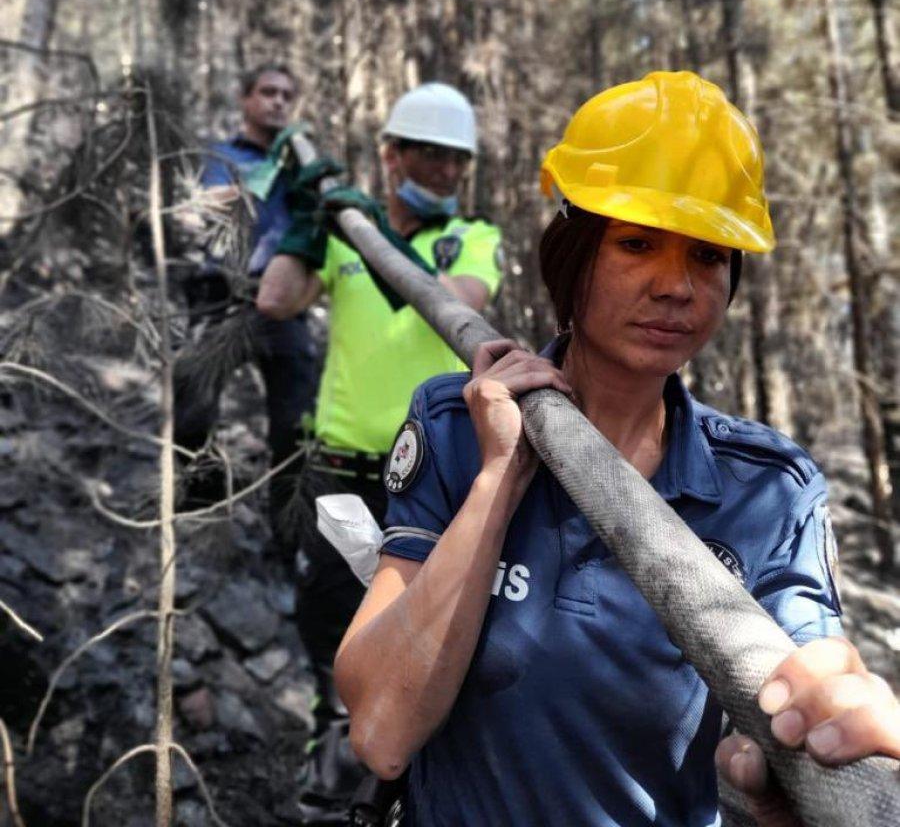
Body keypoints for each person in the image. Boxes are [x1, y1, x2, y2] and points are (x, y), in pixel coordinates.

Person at [332, 70, 900, 826]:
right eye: (637, 244)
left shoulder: (767, 487)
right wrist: (501, 477)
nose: (676, 286)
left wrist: (843, 714)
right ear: (571, 256)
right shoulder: (455, 426)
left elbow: (813, 666)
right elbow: (381, 733)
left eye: (706, 256)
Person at [257, 81, 504, 818]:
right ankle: (330, 767)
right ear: (390, 152)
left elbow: (452, 301)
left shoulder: (474, 238)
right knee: (327, 618)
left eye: (455, 160)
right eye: (427, 154)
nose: (443, 172)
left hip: (430, 482)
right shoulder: (343, 232)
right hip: (337, 469)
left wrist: (369, 228)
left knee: (423, 638)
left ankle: (408, 783)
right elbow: (275, 298)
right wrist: (310, 221)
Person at [174, 63, 319, 548]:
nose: (277, 102)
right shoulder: (220, 154)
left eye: (286, 94)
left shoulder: (305, 160)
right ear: (245, 99)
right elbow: (205, 206)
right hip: (221, 292)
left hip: (284, 305)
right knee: (193, 405)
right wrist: (254, 181)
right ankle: (203, 505)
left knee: (296, 422)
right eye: (267, 92)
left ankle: (288, 531)